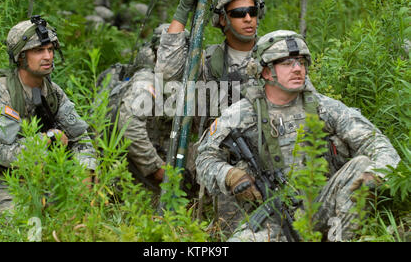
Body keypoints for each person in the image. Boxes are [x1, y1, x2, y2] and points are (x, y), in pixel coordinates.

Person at [194, 30, 401, 241]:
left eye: (301, 62)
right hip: (272, 219)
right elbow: (204, 158)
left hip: (322, 207)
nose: (297, 69)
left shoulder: (325, 108)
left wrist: (375, 174)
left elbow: (375, 142)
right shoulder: (239, 114)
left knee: (362, 164)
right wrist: (230, 175)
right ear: (266, 72)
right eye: (287, 63)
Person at [0, 15, 97, 214]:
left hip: (32, 178)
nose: (48, 56)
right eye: (38, 50)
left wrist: (85, 176)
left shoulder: (52, 92)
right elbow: (1, 154)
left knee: (73, 215)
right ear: (21, 57)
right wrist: (46, 140)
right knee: (22, 224)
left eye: (50, 50)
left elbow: (81, 138)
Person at [96, 23, 176, 191]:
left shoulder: (168, 79)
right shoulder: (147, 81)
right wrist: (155, 167)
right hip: (126, 174)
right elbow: (129, 124)